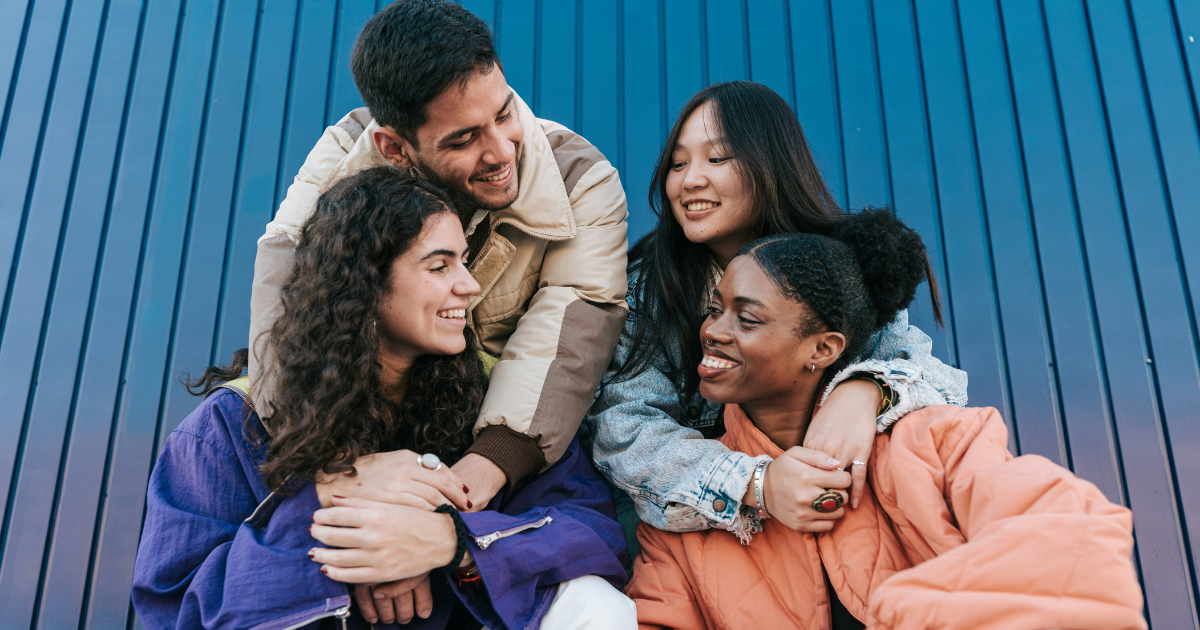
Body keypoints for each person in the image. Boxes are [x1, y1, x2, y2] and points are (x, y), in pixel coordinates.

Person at [132, 168, 635, 630]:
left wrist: (447, 541)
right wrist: (341, 522)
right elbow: (174, 606)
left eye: (464, 261)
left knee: (593, 601)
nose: (470, 285)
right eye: (440, 266)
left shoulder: (498, 403)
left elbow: (592, 534)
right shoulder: (228, 428)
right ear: (364, 284)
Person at [624, 210, 1146, 630]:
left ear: (822, 349)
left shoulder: (938, 443)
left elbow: (1070, 541)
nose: (713, 330)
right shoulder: (687, 511)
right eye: (715, 309)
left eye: (748, 317)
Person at [250, 0, 629, 514]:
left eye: (504, 113)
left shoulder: (582, 179)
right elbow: (292, 299)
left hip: (495, 439)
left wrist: (477, 473)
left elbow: (570, 328)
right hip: (361, 421)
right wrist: (340, 466)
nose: (501, 151)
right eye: (465, 139)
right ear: (394, 148)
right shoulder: (344, 155)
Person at [584, 81, 967, 548]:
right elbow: (626, 430)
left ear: (773, 164)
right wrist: (758, 483)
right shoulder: (648, 288)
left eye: (717, 158)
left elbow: (931, 377)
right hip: (705, 530)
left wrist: (865, 390)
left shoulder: (841, 266)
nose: (689, 180)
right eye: (678, 163)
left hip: (840, 507)